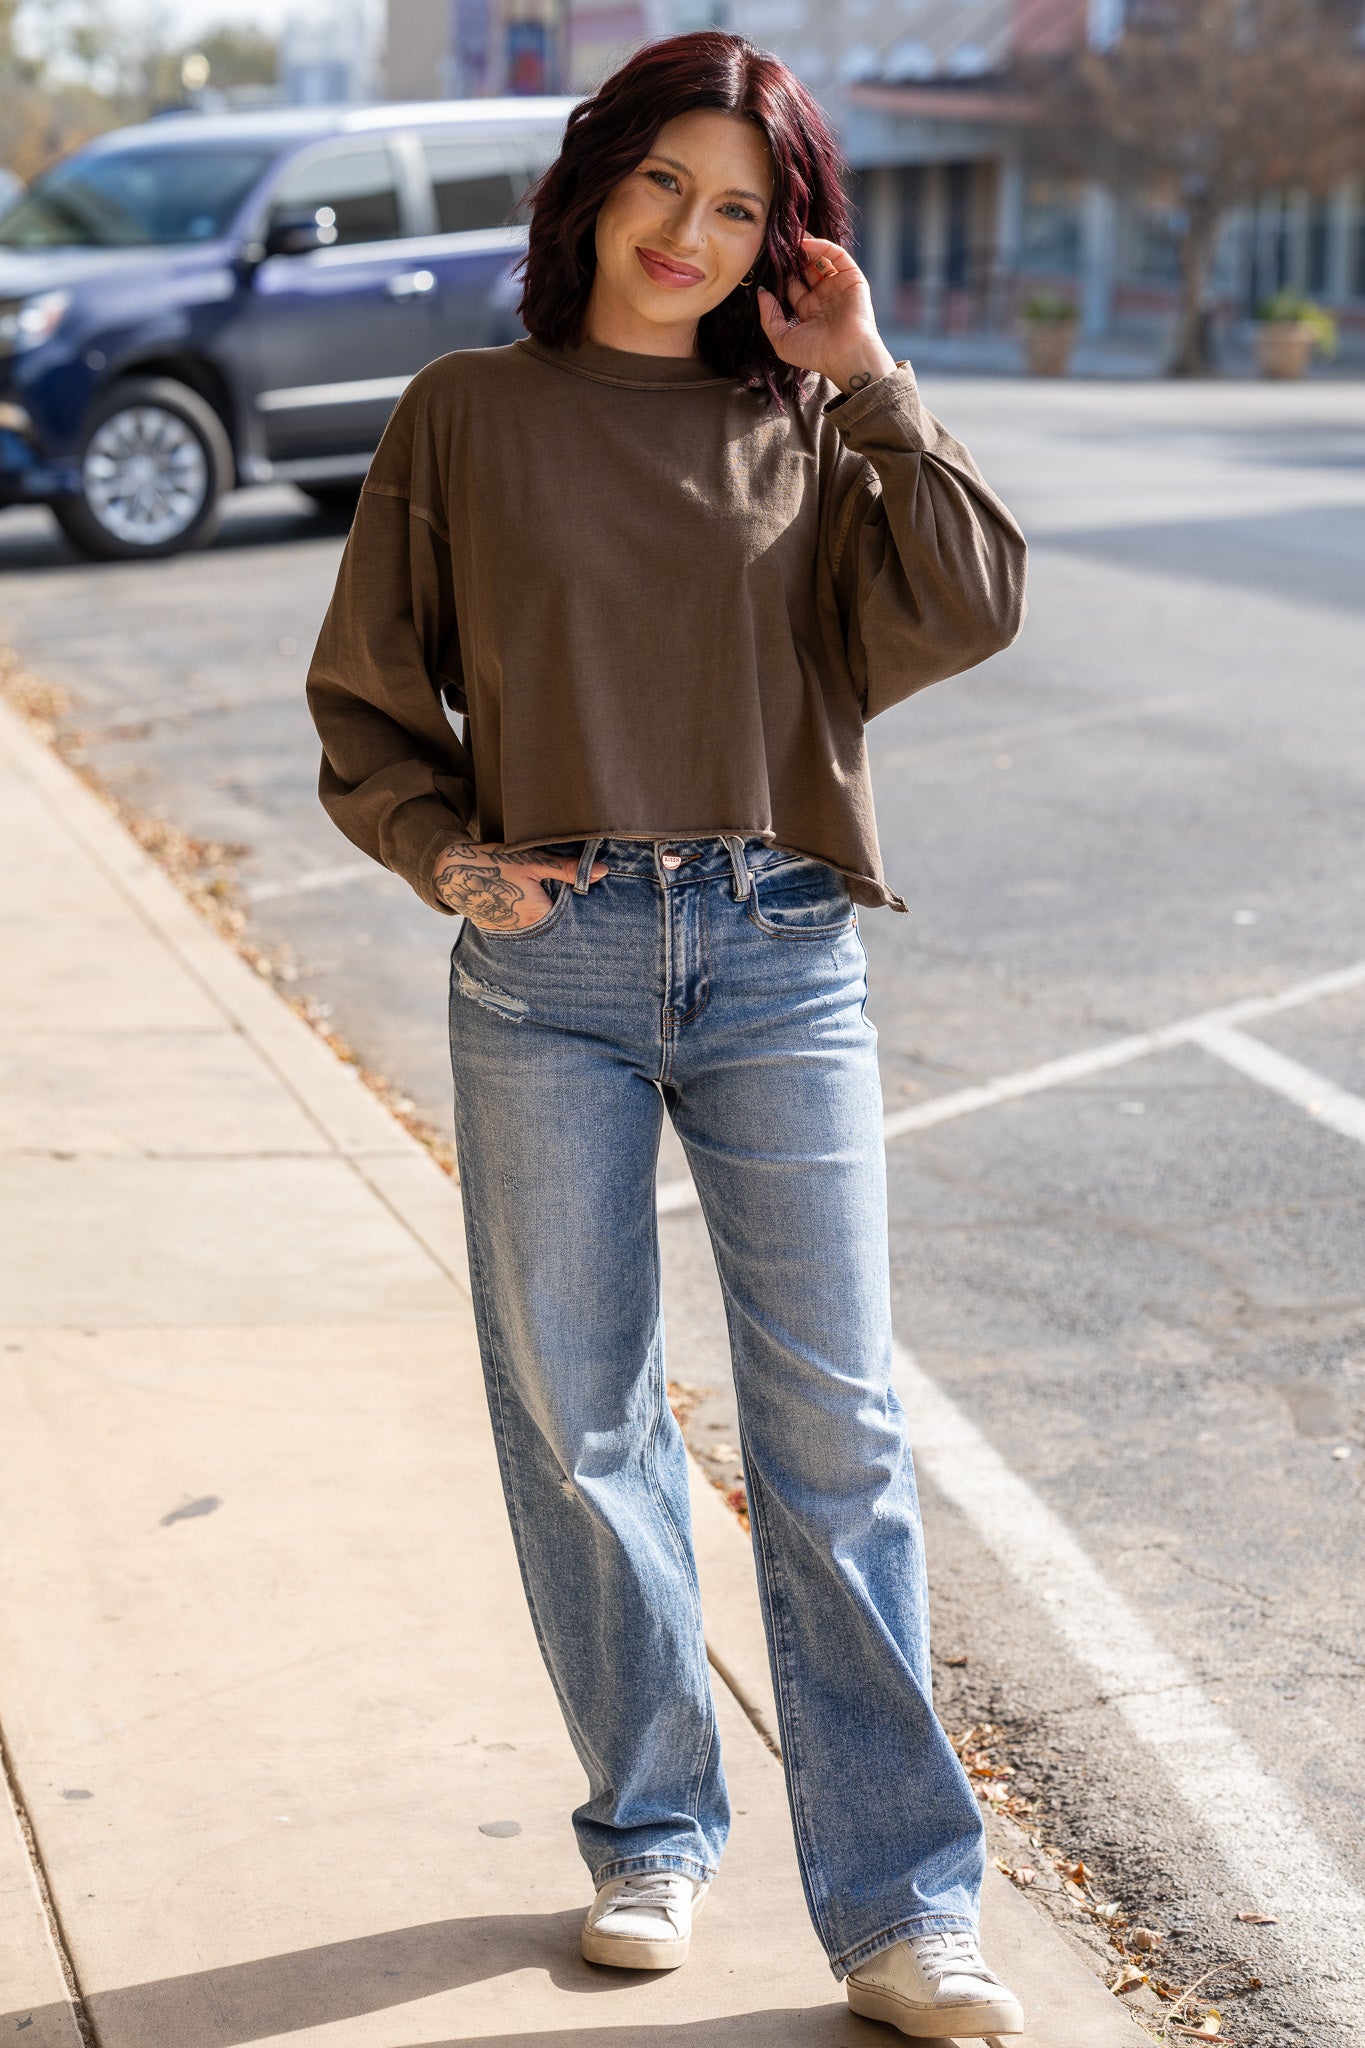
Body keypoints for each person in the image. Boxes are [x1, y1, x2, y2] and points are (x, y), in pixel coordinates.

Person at [306, 30, 1027, 2039]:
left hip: (781, 947)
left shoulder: (807, 423)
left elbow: (968, 598)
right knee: (581, 1414)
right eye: (661, 188)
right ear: (590, 185)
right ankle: (648, 1826)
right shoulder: (466, 415)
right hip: (549, 966)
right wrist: (444, 851)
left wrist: (867, 368)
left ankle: (901, 1909)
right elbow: (366, 699)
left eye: (740, 207)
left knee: (834, 1439)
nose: (691, 237)